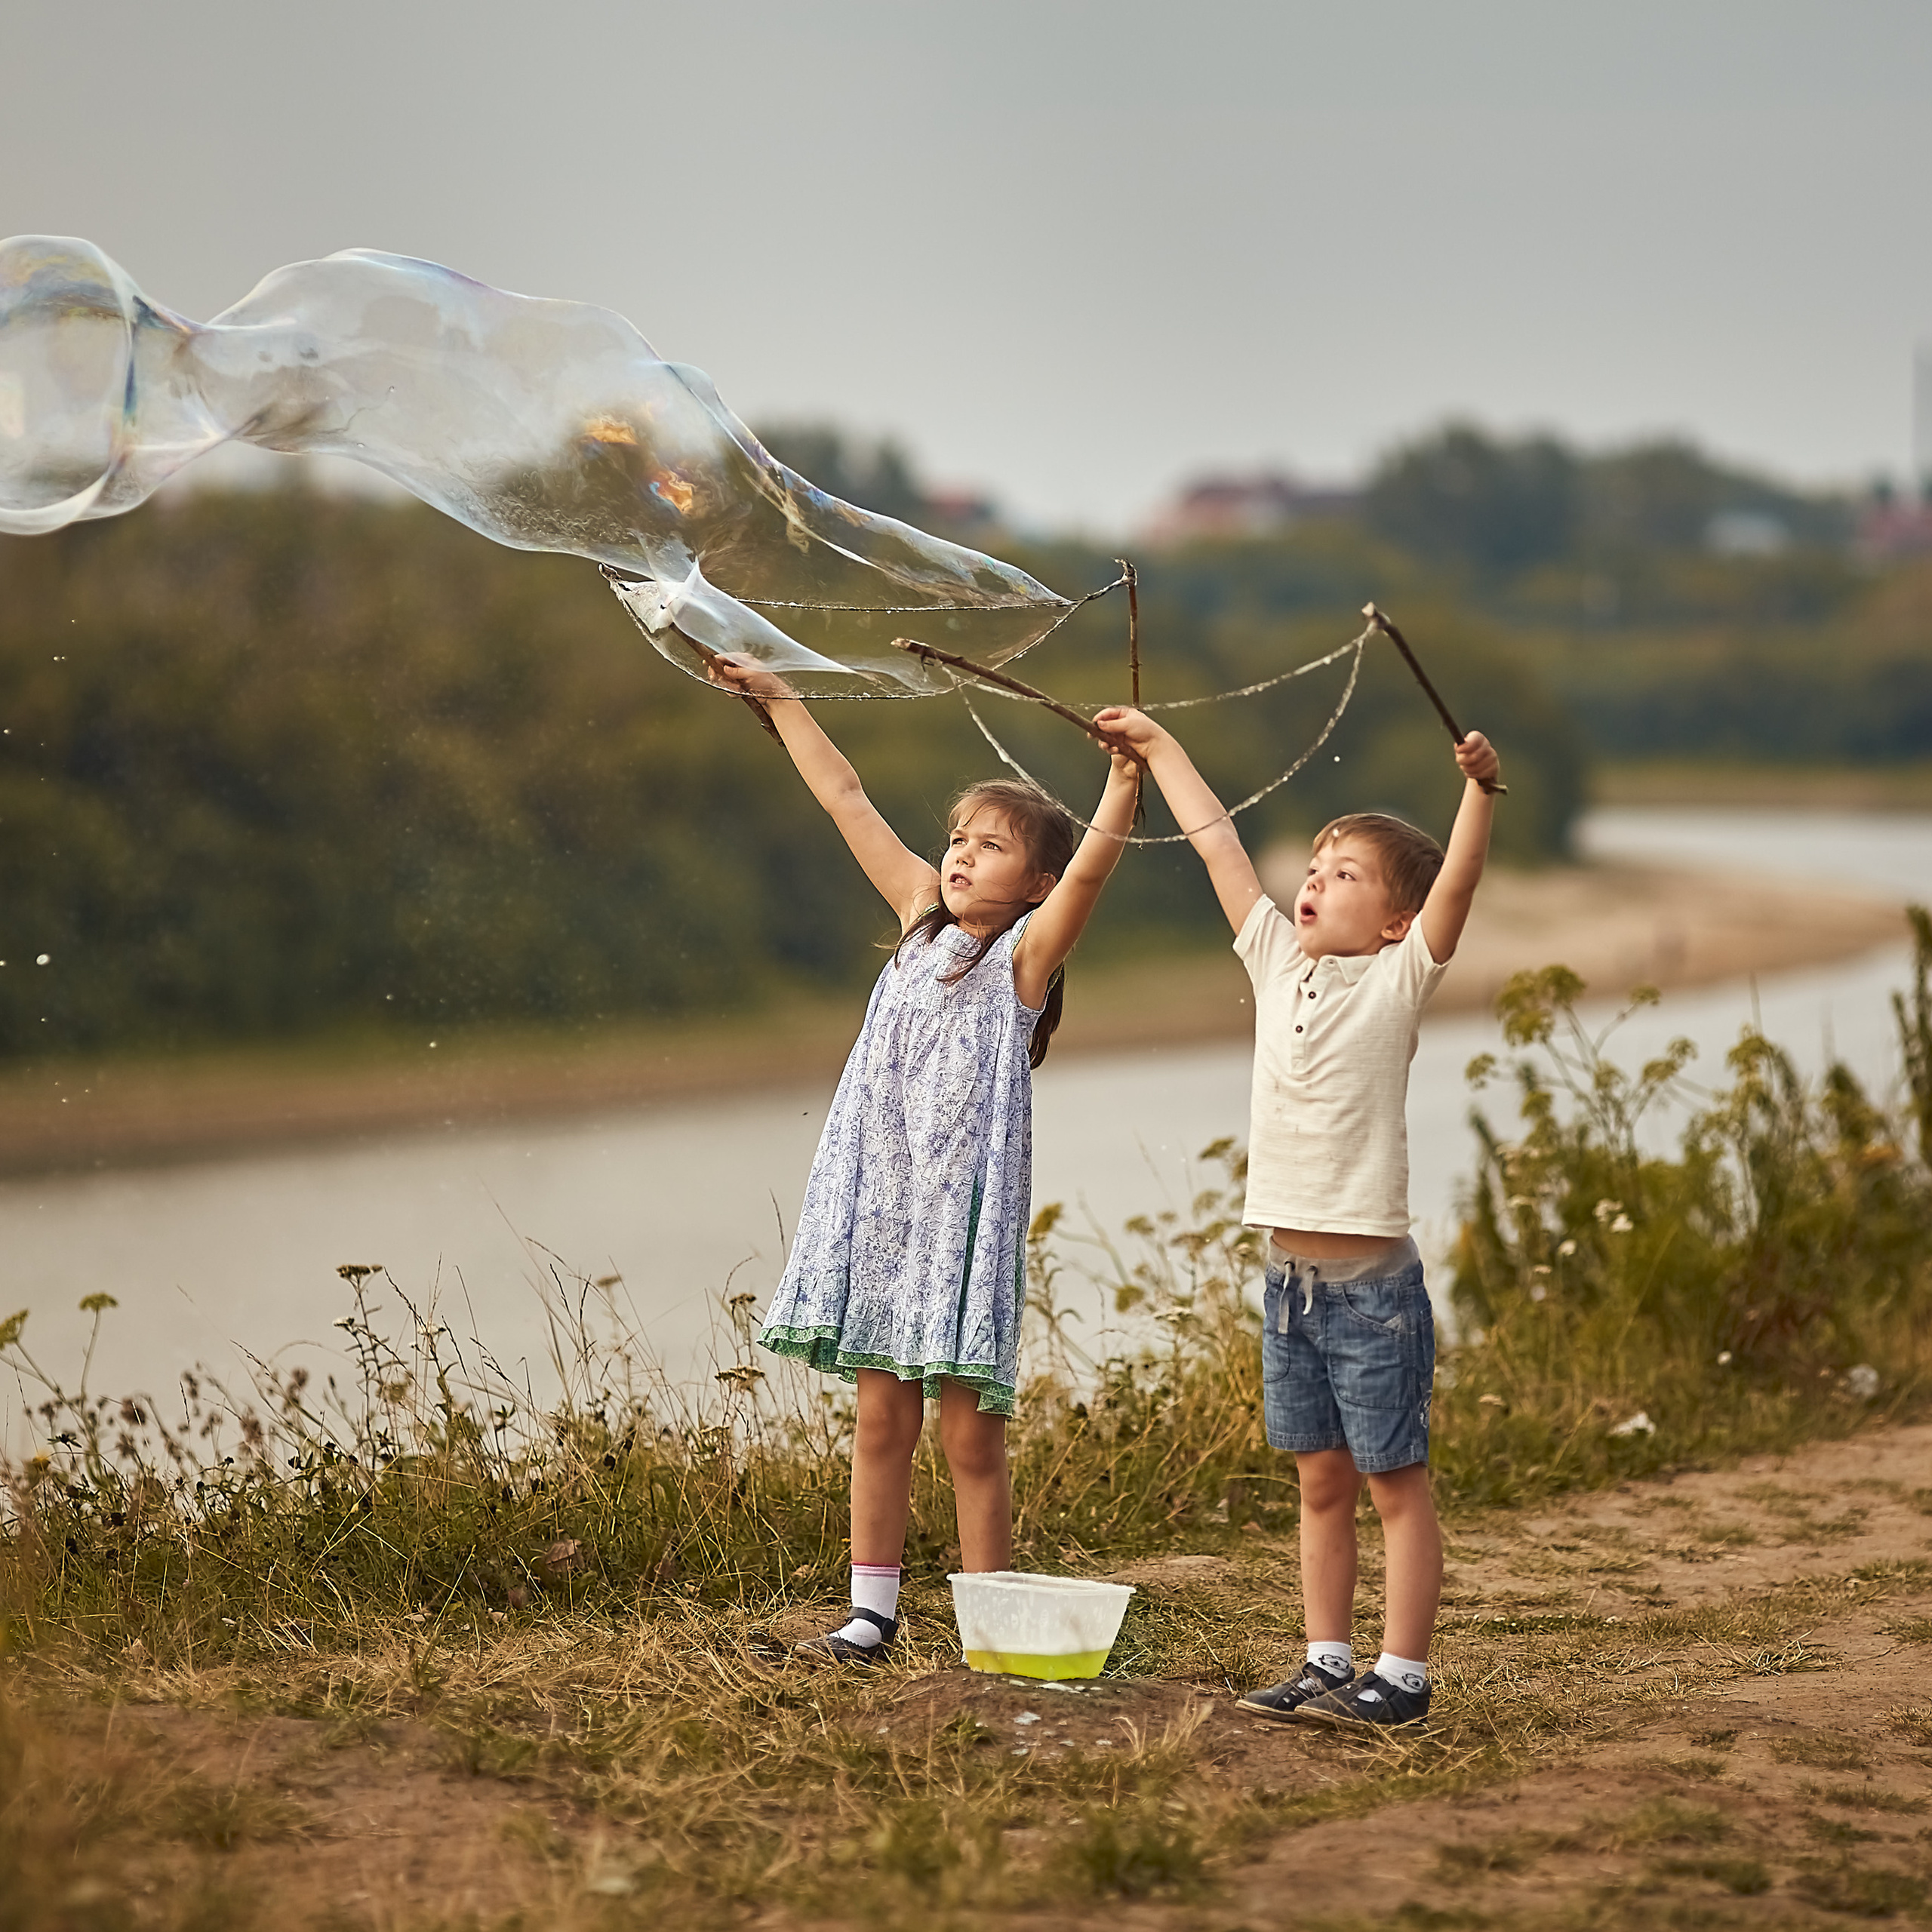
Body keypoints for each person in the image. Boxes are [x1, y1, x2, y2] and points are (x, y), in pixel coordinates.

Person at [714, 656, 1141, 1662]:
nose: (959, 856)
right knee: (878, 1423)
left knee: (968, 1439)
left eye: (990, 848)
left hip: (960, 1226)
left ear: (1033, 886)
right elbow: (845, 795)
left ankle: (992, 1629)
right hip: (877, 1212)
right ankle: (871, 1615)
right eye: (958, 839)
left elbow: (1091, 872)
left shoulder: (1020, 965)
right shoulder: (917, 918)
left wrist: (1123, 781)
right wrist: (780, 701)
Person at [1096, 702, 1501, 1729]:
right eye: (1315, 870)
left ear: (1397, 921)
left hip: (1373, 1293)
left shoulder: (1401, 979)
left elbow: (1456, 883)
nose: (1316, 884)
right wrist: (1159, 747)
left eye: (1347, 875)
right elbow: (1218, 842)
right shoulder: (1276, 962)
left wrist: (1478, 792)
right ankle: (1327, 1659)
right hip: (1288, 1289)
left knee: (1393, 1481)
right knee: (1320, 1481)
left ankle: (1401, 1678)